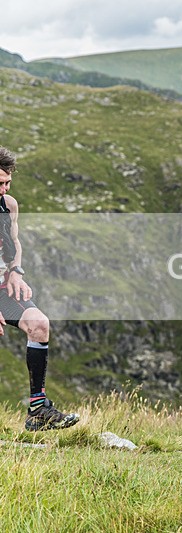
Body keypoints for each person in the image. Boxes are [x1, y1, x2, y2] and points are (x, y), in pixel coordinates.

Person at [0, 147, 80, 431]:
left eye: (7, 182)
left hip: (2, 286)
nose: (4, 188)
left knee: (39, 325)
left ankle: (38, 408)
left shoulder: (8, 205)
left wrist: (16, 272)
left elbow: (14, 242)